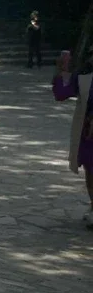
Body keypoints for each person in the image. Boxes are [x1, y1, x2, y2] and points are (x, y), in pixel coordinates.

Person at [53, 49, 93, 227]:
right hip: (88, 133)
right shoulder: (84, 76)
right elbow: (62, 93)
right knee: (91, 170)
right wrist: (62, 68)